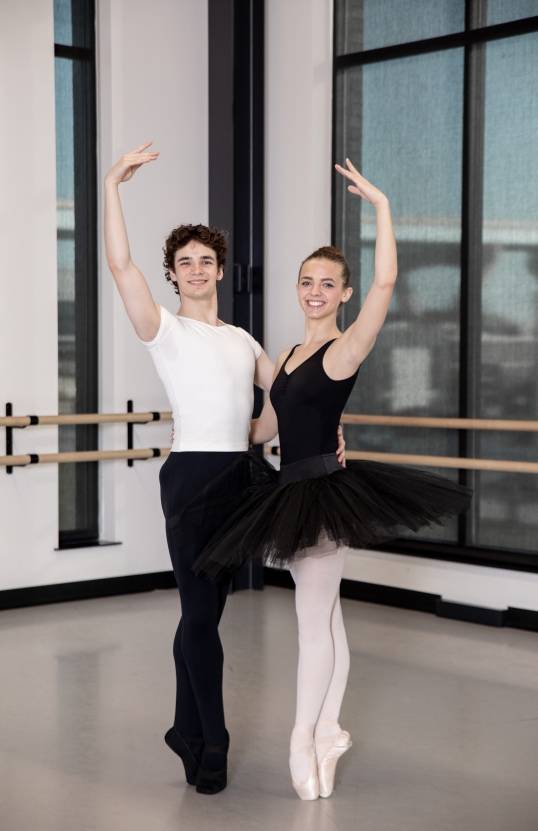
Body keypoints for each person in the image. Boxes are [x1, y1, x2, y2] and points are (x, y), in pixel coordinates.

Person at [190, 160, 472, 800]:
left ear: (344, 294)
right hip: (288, 488)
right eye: (307, 281)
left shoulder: (343, 351)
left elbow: (388, 284)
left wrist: (381, 207)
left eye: (329, 284)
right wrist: (202, 433)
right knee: (331, 620)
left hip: (321, 493)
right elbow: (264, 429)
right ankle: (330, 731)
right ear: (297, 288)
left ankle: (302, 735)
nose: (316, 291)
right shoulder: (285, 356)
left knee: (310, 623)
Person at [103, 142, 346, 796]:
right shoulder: (164, 330)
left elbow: (288, 400)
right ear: (173, 276)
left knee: (202, 612)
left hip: (243, 478)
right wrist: (112, 185)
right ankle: (213, 740)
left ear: (220, 270)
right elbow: (121, 265)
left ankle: (184, 727)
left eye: (206, 260)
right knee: (200, 615)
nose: (196, 270)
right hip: (189, 479)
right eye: (184, 263)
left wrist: (331, 427)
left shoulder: (243, 341)